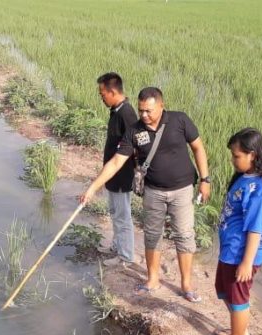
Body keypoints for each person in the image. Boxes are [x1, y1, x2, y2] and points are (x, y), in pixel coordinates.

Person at [80, 87, 211, 302]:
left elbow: (198, 148)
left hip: (182, 190)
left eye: (149, 111)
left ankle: (186, 284)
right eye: (141, 110)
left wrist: (205, 180)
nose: (143, 115)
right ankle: (152, 280)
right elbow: (116, 161)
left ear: (161, 106)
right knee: (152, 235)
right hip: (153, 192)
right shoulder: (134, 131)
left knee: (185, 235)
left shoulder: (179, 120)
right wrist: (93, 187)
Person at [208, 127, 262, 335]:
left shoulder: (260, 189)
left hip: (243, 253)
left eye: (236, 156)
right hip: (231, 250)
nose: (233, 160)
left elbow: (255, 231)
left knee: (238, 295)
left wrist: (246, 263)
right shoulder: (245, 178)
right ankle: (240, 331)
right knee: (223, 289)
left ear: (253, 155)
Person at [97, 72, 137, 263]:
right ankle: (117, 246)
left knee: (122, 216)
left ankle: (125, 256)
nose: (101, 97)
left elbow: (133, 146)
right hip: (112, 174)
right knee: (115, 213)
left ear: (112, 91)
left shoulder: (126, 113)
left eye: (102, 94)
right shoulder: (116, 110)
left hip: (121, 174)